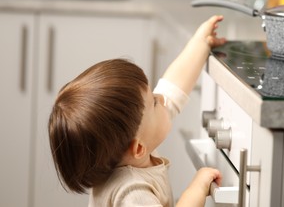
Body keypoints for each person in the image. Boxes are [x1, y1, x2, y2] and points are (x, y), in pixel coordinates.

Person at [48, 15, 227, 207]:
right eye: (154, 103)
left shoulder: (128, 150)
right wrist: (197, 188)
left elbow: (172, 88)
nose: (162, 98)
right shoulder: (134, 193)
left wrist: (200, 43)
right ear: (138, 148)